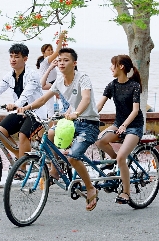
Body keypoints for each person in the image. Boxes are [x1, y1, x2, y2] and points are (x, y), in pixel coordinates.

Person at [18, 45, 101, 211]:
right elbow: (42, 100)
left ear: (74, 63)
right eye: (60, 60)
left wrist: (76, 112)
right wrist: (25, 108)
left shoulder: (83, 77)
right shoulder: (60, 80)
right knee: (50, 134)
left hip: (89, 124)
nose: (61, 63)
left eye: (66, 60)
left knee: (73, 157)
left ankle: (91, 187)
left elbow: (85, 98)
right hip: (71, 122)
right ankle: (55, 170)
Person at [0, 43, 46, 172]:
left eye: (16, 56)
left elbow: (25, 94)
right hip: (20, 111)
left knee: (23, 135)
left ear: (25, 59)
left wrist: (17, 105)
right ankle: (22, 157)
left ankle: (22, 168)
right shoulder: (9, 76)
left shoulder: (32, 75)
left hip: (36, 113)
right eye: (11, 56)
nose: (13, 59)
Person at [95, 54, 144, 205]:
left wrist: (124, 126)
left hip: (134, 126)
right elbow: (99, 106)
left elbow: (135, 110)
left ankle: (126, 193)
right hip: (118, 124)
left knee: (121, 157)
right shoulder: (112, 85)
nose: (111, 68)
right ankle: (113, 162)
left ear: (120, 66)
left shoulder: (134, 86)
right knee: (99, 141)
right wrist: (86, 116)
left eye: (113, 65)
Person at [36, 37, 63, 117]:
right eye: (48, 50)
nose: (51, 51)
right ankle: (49, 127)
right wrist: (61, 39)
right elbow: (58, 51)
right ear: (43, 53)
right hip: (45, 87)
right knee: (50, 110)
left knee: (52, 110)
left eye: (52, 50)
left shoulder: (49, 62)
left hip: (50, 87)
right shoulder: (46, 60)